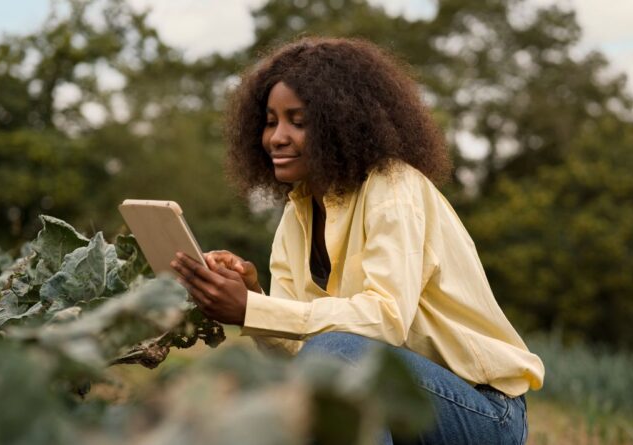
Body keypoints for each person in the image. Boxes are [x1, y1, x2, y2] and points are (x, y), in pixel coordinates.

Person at [171, 37, 544, 445]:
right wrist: (253, 301)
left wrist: (255, 308)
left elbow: (385, 320)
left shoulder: (393, 188)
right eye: (270, 120)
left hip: (483, 412)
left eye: (298, 121)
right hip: (393, 398)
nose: (277, 137)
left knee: (340, 353)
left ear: (341, 122)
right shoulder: (296, 215)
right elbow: (298, 361)